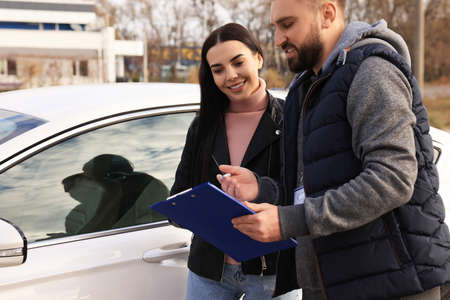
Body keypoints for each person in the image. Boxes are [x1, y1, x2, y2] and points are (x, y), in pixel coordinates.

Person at [217, 1, 450, 299]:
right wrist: (262, 189)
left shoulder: (371, 71)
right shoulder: (304, 89)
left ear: (327, 14)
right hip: (330, 283)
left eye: (287, 25)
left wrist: (288, 222)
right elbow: (314, 189)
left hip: (394, 284)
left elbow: (393, 178)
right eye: (275, 27)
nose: (278, 40)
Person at [170, 23, 297, 300]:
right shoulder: (202, 126)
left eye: (238, 62)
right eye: (218, 69)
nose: (230, 75)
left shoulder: (291, 119)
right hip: (208, 271)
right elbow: (180, 191)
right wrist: (183, 209)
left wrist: (260, 189)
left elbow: (306, 196)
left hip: (272, 271)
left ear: (258, 58)